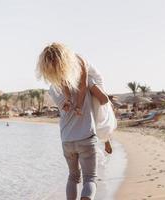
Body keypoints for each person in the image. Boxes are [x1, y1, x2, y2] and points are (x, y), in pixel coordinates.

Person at [36, 42, 110, 200]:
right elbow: (104, 99)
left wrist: (73, 102)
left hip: (67, 140)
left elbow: (66, 91)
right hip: (86, 138)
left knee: (73, 177)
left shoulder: (54, 89)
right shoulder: (87, 81)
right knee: (90, 178)